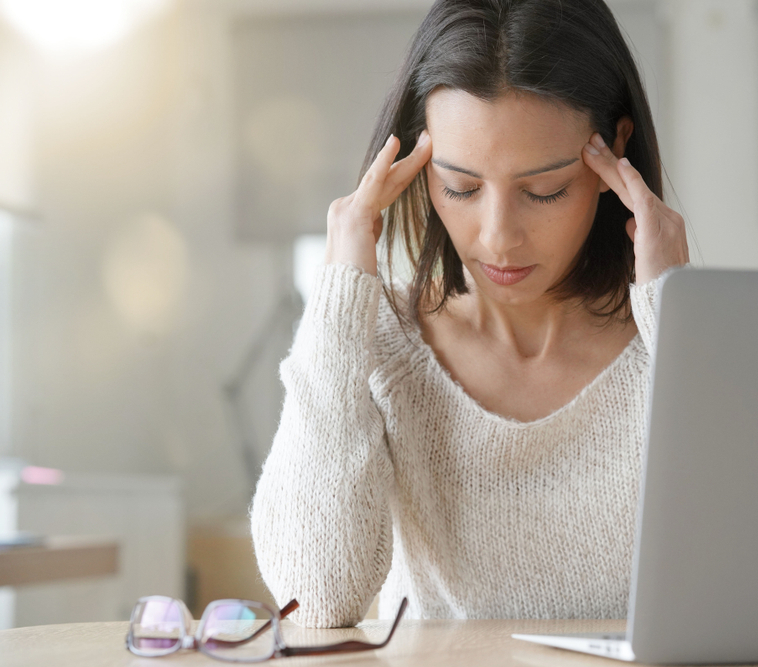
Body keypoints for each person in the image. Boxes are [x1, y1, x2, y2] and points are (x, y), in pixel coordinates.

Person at [250, 0, 688, 627]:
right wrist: (344, 281)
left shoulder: (671, 340)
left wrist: (677, 313)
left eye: (545, 190)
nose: (499, 237)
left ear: (616, 147)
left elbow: (755, 578)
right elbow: (316, 596)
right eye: (460, 187)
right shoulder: (380, 343)